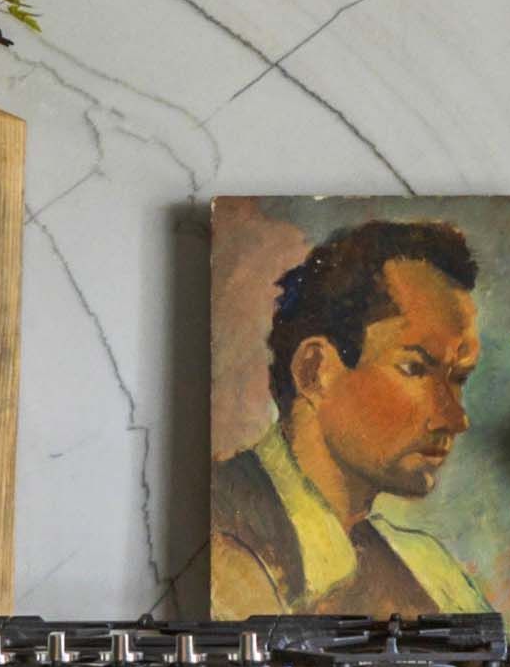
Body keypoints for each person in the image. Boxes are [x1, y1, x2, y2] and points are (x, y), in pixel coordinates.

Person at [209, 215, 489, 618]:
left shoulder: (426, 567)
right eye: (415, 369)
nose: (455, 417)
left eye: (458, 378)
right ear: (314, 370)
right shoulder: (219, 548)